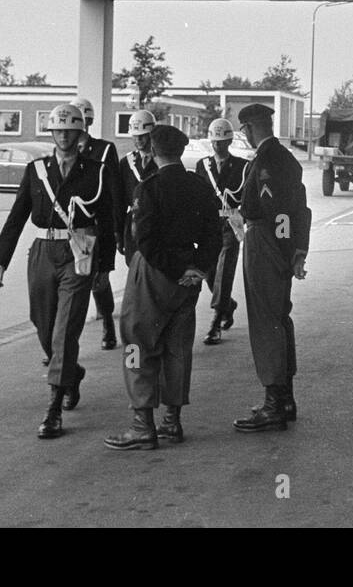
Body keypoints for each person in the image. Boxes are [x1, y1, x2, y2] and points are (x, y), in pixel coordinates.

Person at [0, 104, 111, 440]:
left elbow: (109, 217)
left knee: (64, 330)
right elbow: (17, 216)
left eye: (70, 131)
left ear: (80, 133)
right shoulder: (36, 170)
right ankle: (71, 372)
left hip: (80, 251)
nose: (63, 136)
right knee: (42, 324)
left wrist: (106, 266)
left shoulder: (96, 170)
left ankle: (55, 406)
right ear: (51, 134)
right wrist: (1, 259)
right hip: (43, 250)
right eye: (58, 131)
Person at [105, 124, 221, 450]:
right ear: (181, 151)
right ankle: (172, 421)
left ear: (153, 151)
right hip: (190, 272)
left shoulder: (148, 188)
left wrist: (173, 270)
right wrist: (197, 268)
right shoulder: (198, 185)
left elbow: (144, 240)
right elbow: (214, 232)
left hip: (154, 272)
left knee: (136, 341)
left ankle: (142, 423)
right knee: (178, 346)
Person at [232, 103, 310, 433]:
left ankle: (274, 404)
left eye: (245, 130)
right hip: (275, 244)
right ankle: (285, 398)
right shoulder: (285, 157)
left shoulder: (266, 160)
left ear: (249, 128)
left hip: (264, 242)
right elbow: (298, 208)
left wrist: (279, 250)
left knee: (266, 322)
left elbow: (276, 210)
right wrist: (295, 251)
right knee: (279, 318)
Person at [69, 95, 124, 351]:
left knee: (97, 279)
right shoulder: (62, 150)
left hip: (94, 224)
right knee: (71, 280)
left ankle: (108, 325)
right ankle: (65, 340)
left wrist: (114, 226)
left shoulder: (104, 149)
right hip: (69, 226)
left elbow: (113, 189)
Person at [193, 117, 248, 344]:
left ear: (229, 141)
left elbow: (246, 196)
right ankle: (228, 304)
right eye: (214, 141)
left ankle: (215, 321)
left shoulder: (243, 166)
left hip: (230, 223)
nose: (218, 146)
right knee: (208, 269)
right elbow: (198, 196)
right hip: (209, 225)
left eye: (222, 141)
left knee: (225, 269)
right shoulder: (202, 165)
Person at [118, 109, 157, 263]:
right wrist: (119, 232)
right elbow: (120, 201)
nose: (139, 140)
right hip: (133, 223)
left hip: (156, 224)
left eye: (143, 136)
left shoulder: (161, 160)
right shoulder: (126, 163)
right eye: (136, 136)